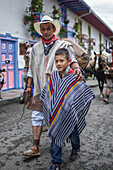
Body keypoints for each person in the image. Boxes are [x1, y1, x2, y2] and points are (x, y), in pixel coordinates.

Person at [22, 15, 83, 157]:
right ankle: (35, 147)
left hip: (59, 89)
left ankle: (75, 147)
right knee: (37, 116)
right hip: (39, 88)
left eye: (48, 29)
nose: (45, 32)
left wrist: (77, 68)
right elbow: (32, 69)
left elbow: (71, 60)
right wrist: (29, 86)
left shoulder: (62, 45)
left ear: (54, 29)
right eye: (43, 29)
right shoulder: (35, 48)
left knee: (67, 119)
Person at [41, 48, 95, 170]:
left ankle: (76, 148)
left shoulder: (75, 76)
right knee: (55, 135)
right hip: (55, 114)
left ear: (69, 61)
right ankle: (56, 162)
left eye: (61, 60)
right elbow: (47, 93)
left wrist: (75, 106)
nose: (59, 64)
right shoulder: (53, 76)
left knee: (73, 133)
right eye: (56, 61)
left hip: (70, 114)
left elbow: (84, 92)